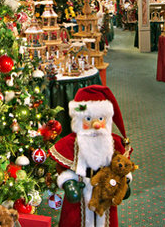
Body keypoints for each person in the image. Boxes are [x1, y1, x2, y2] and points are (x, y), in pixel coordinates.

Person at [49, 85, 133, 227]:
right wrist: (69, 182)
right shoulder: (71, 144)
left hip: (107, 192)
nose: (96, 125)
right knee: (74, 219)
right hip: (80, 193)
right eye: (88, 118)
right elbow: (61, 168)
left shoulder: (113, 143)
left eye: (100, 118)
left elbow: (122, 165)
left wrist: (124, 181)